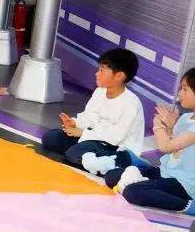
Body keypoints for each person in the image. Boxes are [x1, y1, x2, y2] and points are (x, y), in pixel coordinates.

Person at [101, 67, 195, 213]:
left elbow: (164, 146)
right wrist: (169, 128)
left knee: (132, 192)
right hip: (165, 173)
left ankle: (189, 206)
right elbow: (173, 149)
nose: (179, 93)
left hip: (184, 184)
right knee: (112, 176)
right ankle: (143, 181)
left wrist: (158, 125)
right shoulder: (185, 118)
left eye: (185, 89)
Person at [40, 48, 144, 175]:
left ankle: (114, 162)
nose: (97, 74)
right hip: (93, 138)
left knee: (74, 154)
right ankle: (90, 157)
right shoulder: (100, 91)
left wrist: (83, 133)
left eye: (102, 70)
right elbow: (89, 117)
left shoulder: (131, 103)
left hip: (116, 147)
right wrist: (75, 123)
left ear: (119, 76)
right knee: (50, 138)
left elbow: (115, 138)